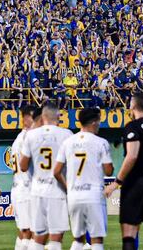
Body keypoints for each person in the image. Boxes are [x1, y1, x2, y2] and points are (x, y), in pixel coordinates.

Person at [103, 93, 143, 250]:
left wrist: (116, 183)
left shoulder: (132, 126)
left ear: (133, 106)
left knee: (129, 232)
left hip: (135, 182)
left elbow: (131, 156)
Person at [54, 107, 114, 250]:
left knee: (78, 240)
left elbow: (56, 171)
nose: (99, 124)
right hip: (93, 194)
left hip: (74, 195)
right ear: (93, 122)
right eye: (99, 121)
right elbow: (108, 170)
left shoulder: (67, 142)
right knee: (97, 240)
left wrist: (68, 187)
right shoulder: (101, 142)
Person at [19, 102, 73, 250]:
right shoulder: (66, 135)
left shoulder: (31, 135)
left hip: (37, 190)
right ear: (59, 116)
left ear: (42, 116)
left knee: (38, 238)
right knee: (55, 238)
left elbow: (23, 166)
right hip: (57, 190)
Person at [10, 104, 40, 250]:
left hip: (18, 187)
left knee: (24, 231)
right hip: (26, 189)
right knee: (32, 232)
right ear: (26, 118)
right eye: (35, 117)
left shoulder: (18, 138)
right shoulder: (28, 137)